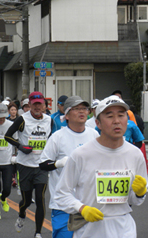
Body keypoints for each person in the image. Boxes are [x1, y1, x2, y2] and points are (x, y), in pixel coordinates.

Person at [54, 96, 147, 238]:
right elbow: (61, 193)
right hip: (90, 230)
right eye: (109, 116)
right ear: (98, 123)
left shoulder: (135, 155)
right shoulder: (81, 155)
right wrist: (82, 208)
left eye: (121, 115)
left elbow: (135, 200)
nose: (116, 121)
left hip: (124, 228)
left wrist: (140, 193)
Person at [39, 96, 99, 238]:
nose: (82, 112)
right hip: (63, 204)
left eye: (84, 108)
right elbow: (42, 164)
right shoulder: (58, 137)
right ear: (66, 114)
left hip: (89, 202)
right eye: (77, 109)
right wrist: (57, 164)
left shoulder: (94, 135)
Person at [4, 91, 53, 238]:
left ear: (44, 105)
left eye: (40, 104)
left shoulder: (49, 120)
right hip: (24, 165)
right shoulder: (22, 120)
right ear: (29, 105)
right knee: (26, 201)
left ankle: (38, 232)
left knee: (40, 198)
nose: (37, 107)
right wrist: (21, 147)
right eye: (34, 104)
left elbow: (53, 139)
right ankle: (22, 213)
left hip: (41, 166)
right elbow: (7, 136)